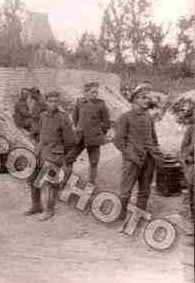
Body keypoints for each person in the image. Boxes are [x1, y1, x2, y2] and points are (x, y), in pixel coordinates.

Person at [113, 84, 164, 220]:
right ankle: (121, 215)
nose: (147, 101)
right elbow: (118, 140)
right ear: (135, 99)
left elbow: (154, 139)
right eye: (143, 98)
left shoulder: (149, 117)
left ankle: (139, 215)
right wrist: (132, 155)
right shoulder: (125, 117)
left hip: (149, 160)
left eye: (148, 98)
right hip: (132, 160)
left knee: (145, 189)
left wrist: (157, 155)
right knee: (126, 189)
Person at [25, 91, 76, 221]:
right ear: (46, 102)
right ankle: (36, 205)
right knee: (32, 178)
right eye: (51, 101)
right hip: (40, 152)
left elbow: (70, 141)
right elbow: (39, 133)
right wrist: (38, 147)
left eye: (56, 101)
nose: (53, 104)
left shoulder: (64, 118)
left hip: (55, 154)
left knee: (50, 182)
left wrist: (62, 155)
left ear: (59, 102)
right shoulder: (43, 115)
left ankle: (49, 209)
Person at [65, 82, 110, 184]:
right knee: (68, 159)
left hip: (94, 139)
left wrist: (99, 133)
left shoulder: (101, 104)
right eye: (93, 92)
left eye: (96, 92)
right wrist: (80, 129)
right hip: (80, 138)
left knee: (93, 163)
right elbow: (75, 118)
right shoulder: (79, 102)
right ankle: (66, 180)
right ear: (86, 92)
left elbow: (106, 122)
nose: (95, 94)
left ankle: (91, 183)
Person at [179, 103, 194, 231]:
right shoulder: (191, 129)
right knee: (192, 197)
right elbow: (183, 149)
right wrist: (187, 157)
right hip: (193, 168)